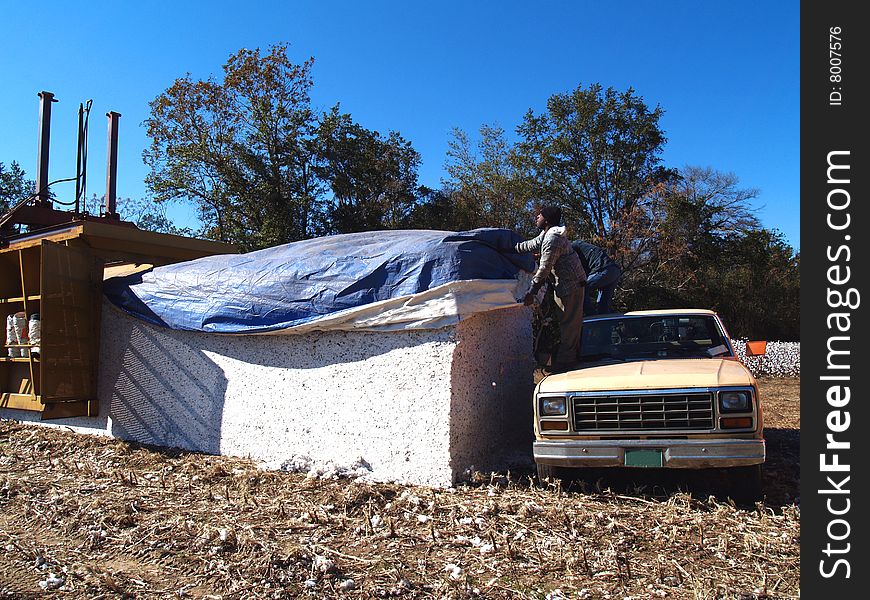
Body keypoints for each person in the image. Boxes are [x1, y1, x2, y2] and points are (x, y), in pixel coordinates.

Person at [515, 205, 586, 371]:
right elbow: (532, 244)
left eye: (539, 215)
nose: (536, 218)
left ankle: (567, 365)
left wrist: (531, 292)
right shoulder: (546, 234)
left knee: (569, 325)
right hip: (563, 285)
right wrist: (513, 248)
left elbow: (544, 269)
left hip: (572, 286)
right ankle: (567, 360)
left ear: (546, 219)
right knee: (565, 322)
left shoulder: (553, 238)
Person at [571, 239, 622, 316]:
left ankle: (592, 318)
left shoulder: (572, 248)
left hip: (603, 270)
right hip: (614, 271)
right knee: (604, 307)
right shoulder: (582, 246)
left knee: (580, 291)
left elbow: (580, 272)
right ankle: (605, 324)